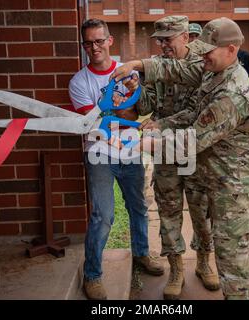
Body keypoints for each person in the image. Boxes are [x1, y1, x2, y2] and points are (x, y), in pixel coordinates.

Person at [112, 17, 249, 300]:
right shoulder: (213, 72)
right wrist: (139, 68)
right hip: (217, 179)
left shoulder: (231, 94)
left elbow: (192, 140)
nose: (202, 55)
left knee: (233, 265)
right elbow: (183, 87)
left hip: (233, 190)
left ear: (231, 50)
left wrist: (143, 142)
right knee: (227, 253)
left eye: (209, 50)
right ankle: (180, 269)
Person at [68, 18, 164, 300]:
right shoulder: (79, 82)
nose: (94, 47)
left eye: (99, 41)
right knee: (103, 215)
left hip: (131, 150)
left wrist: (120, 114)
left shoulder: (126, 71)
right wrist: (120, 113)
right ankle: (93, 274)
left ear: (110, 41)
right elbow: (96, 123)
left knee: (138, 206)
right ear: (84, 45)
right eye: (88, 43)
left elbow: (136, 113)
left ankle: (142, 254)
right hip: (99, 153)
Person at [124, 15, 219, 300]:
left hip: (193, 146)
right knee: (168, 207)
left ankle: (204, 262)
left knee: (201, 209)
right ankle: (176, 268)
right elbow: (147, 106)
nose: (163, 45)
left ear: (185, 37)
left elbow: (196, 110)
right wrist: (136, 90)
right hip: (165, 150)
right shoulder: (157, 67)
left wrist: (161, 124)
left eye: (168, 39)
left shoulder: (203, 65)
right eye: (159, 40)